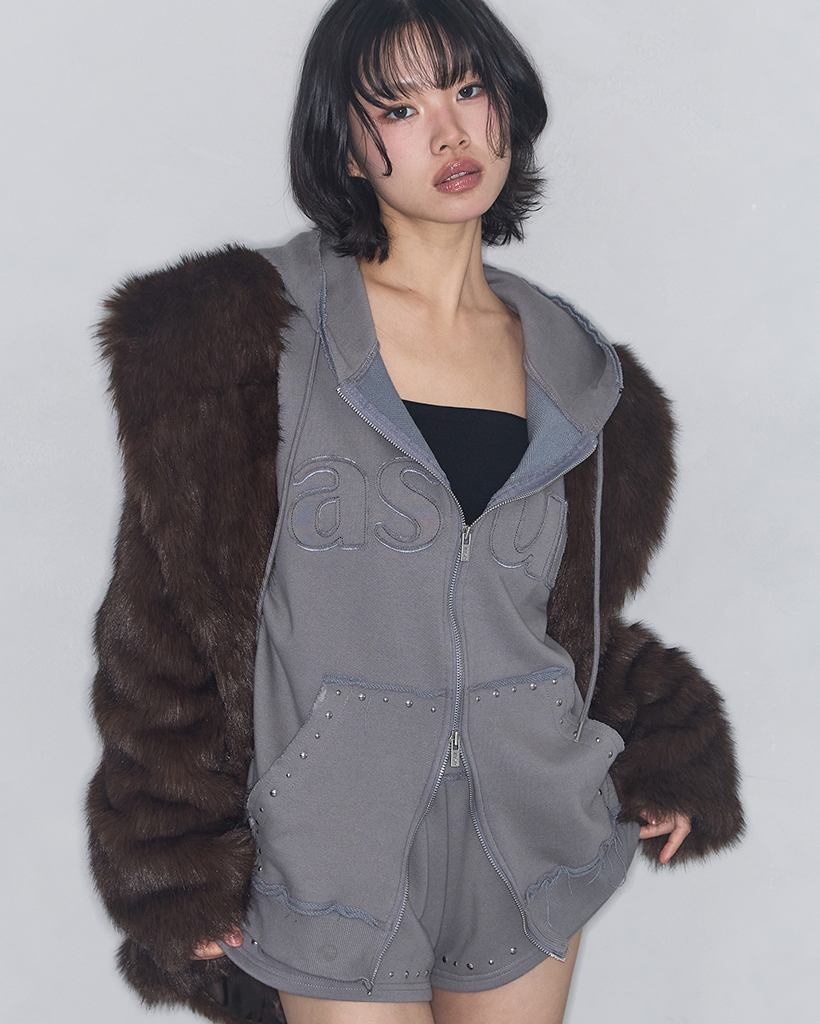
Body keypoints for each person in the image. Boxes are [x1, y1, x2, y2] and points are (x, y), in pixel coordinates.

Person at [86, 2, 744, 1023]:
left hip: (529, 839)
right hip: (325, 851)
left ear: (506, 107)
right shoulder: (240, 340)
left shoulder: (587, 379)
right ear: (346, 147)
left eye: (468, 89)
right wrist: (172, 851)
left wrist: (664, 744)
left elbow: (548, 622)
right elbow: (162, 617)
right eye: (397, 107)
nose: (448, 132)